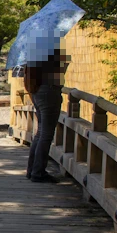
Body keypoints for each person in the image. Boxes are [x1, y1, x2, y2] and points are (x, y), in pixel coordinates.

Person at [24, 50, 70, 183]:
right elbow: (59, 73)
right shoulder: (51, 50)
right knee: (46, 135)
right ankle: (38, 173)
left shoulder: (36, 50)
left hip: (37, 91)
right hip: (49, 91)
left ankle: (32, 170)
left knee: (40, 133)